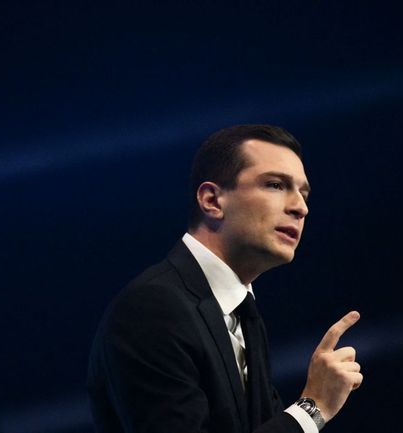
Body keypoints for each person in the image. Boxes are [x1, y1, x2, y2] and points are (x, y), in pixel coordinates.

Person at [87, 124, 362, 433]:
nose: (300, 207)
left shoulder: (241, 316)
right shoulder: (152, 308)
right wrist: (313, 408)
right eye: (275, 185)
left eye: (303, 193)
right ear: (212, 201)